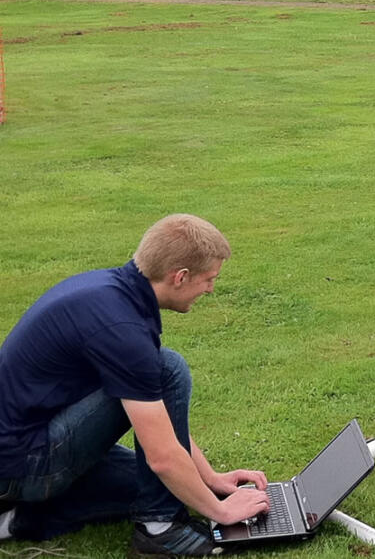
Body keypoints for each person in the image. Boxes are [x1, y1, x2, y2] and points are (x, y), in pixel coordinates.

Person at [0, 214, 270, 556]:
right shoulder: (122, 330)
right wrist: (220, 511)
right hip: (26, 461)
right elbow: (161, 456)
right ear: (180, 276)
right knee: (168, 370)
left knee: (159, 486)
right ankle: (159, 528)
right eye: (208, 279)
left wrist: (210, 480)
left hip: (26, 445)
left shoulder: (111, 292)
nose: (211, 289)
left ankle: (14, 519)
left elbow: (160, 421)